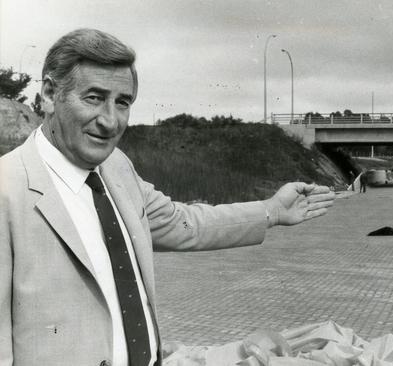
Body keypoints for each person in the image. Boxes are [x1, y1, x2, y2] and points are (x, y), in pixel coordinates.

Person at [0, 28, 335, 366]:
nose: (110, 121)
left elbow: (183, 222)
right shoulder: (6, 190)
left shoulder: (117, 168)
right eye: (93, 98)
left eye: (122, 102)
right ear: (48, 93)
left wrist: (270, 211)